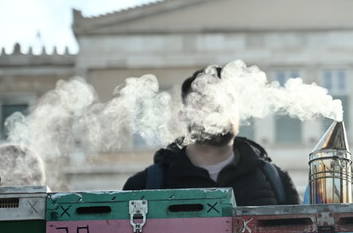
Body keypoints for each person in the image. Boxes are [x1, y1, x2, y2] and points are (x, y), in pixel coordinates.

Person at [123, 65, 301, 206]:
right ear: (183, 116)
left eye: (227, 100)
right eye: (204, 100)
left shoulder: (276, 179)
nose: (217, 107)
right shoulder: (143, 186)